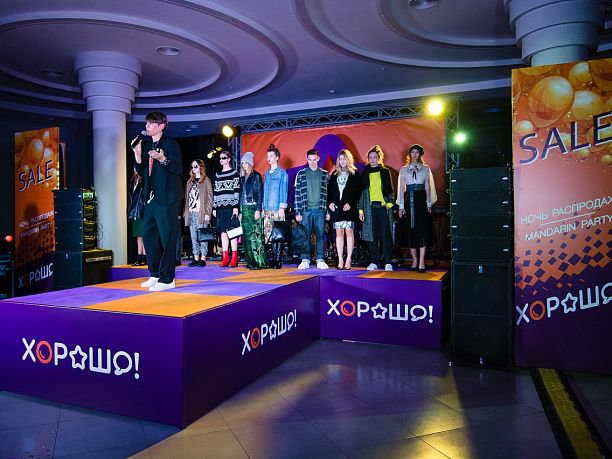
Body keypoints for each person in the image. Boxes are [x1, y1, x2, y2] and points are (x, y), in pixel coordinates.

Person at [131, 111, 183, 291]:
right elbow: (141, 172)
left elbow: (178, 168)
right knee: (148, 234)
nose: (147, 126)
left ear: (161, 126)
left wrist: (163, 159)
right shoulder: (146, 145)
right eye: (146, 123)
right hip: (152, 198)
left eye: (151, 123)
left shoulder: (170, 144)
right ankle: (155, 273)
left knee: (167, 238)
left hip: (168, 197)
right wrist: (138, 154)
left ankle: (168, 278)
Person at [397, 144, 437, 272]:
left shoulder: (425, 168)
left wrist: (429, 203)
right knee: (411, 230)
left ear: (420, 154)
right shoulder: (404, 169)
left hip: (421, 200)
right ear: (409, 154)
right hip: (409, 199)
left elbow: (428, 186)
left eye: (417, 152)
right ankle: (414, 260)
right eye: (412, 152)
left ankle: (421, 261)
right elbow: (401, 188)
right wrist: (401, 206)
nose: (414, 154)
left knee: (422, 230)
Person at [358, 145, 394, 271]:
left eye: (375, 157)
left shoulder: (385, 172)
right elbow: (362, 194)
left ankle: (388, 262)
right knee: (372, 236)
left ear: (379, 158)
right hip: (369, 208)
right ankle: (374, 261)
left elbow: (390, 190)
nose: (372, 159)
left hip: (383, 208)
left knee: (385, 235)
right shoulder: (365, 173)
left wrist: (389, 204)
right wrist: (361, 210)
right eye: (370, 157)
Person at [294, 148, 329, 270]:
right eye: (310, 160)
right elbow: (297, 194)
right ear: (307, 159)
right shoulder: (301, 174)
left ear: (318, 159)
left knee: (320, 234)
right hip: (305, 210)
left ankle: (320, 259)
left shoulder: (324, 174)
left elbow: (328, 194)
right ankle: (305, 259)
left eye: (314, 160)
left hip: (320, 209)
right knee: (305, 235)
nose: (312, 162)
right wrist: (297, 212)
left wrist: (327, 211)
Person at [327, 149, 361, 270]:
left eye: (344, 159)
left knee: (349, 233)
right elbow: (329, 192)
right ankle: (340, 259)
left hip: (349, 210)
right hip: (337, 209)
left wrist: (351, 204)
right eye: (340, 159)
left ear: (349, 160)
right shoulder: (334, 175)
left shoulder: (355, 175)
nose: (342, 161)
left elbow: (359, 193)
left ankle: (348, 259)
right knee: (339, 234)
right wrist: (330, 203)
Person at [262, 144, 289, 269]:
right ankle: (273, 258)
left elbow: (284, 190)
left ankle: (278, 259)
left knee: (278, 234)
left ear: (277, 157)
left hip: (277, 208)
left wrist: (282, 207)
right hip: (268, 209)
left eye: (271, 156)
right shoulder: (267, 173)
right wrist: (263, 207)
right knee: (270, 235)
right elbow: (265, 191)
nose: (269, 158)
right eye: (268, 156)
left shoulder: (282, 173)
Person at [213, 151, 241, 267]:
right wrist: (214, 207)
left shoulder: (234, 173)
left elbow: (237, 190)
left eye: (223, 158)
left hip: (230, 206)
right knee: (223, 232)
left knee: (232, 231)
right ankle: (225, 256)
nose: (221, 160)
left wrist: (235, 206)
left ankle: (234, 257)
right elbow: (216, 191)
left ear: (229, 159)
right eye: (220, 158)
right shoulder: (217, 175)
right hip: (220, 207)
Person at [239, 152, 267, 269]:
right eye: (242, 163)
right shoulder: (242, 177)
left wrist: (258, 209)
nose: (244, 165)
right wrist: (240, 211)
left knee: (255, 236)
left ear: (250, 163)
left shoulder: (256, 176)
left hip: (253, 208)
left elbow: (260, 194)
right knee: (246, 238)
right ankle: (250, 261)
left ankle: (259, 262)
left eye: (246, 162)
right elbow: (240, 196)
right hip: (244, 209)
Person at [183, 159, 212, 267]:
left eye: (195, 166)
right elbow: (187, 198)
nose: (193, 168)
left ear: (200, 167)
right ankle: (196, 258)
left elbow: (209, 198)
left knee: (203, 236)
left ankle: (203, 258)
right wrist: (186, 212)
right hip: (191, 213)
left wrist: (207, 212)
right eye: (192, 166)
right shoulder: (189, 181)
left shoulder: (206, 180)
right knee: (193, 236)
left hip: (201, 213)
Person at [127, 168, 147, 266]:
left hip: (141, 212)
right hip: (134, 213)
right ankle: (139, 256)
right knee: (138, 236)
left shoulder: (144, 183)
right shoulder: (131, 183)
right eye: (135, 169)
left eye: (137, 169)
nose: (136, 171)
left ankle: (145, 257)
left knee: (144, 235)